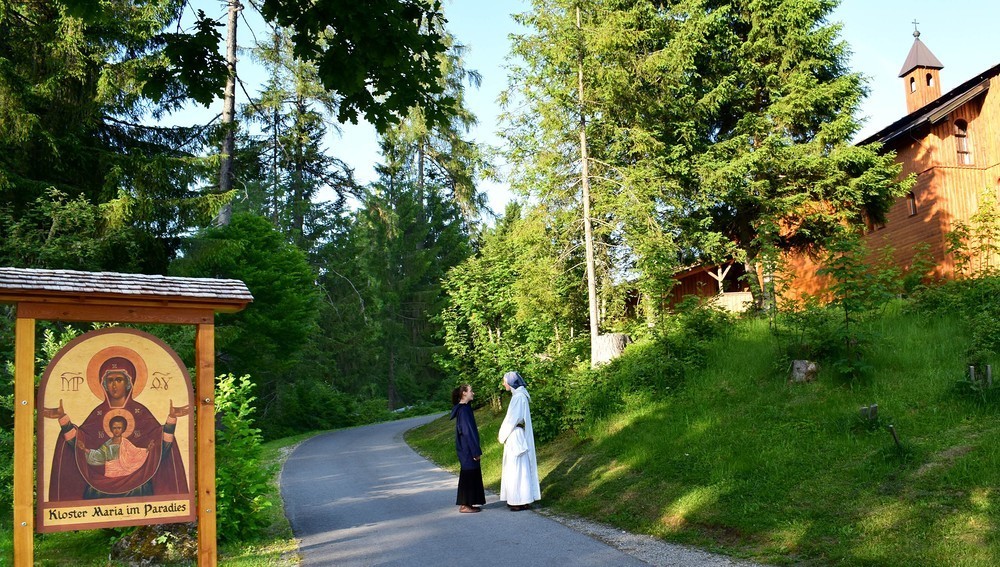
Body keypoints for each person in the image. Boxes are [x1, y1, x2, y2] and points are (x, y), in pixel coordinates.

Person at [42, 356, 190, 500]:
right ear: (104, 384)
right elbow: (78, 446)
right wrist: (63, 419)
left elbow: (160, 448)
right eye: (110, 380)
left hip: (137, 486)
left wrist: (171, 419)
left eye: (119, 380)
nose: (114, 385)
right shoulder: (97, 413)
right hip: (99, 488)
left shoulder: (141, 412)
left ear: (128, 383)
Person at [497, 370, 540, 511]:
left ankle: (517, 500)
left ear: (511, 382)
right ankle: (523, 499)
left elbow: (512, 419)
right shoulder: (520, 396)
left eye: (505, 381)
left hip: (515, 434)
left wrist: (502, 435)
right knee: (521, 467)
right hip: (517, 433)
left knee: (516, 468)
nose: (504, 384)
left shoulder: (518, 397)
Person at [450, 384, 485, 513]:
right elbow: (467, 432)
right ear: (464, 393)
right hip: (467, 448)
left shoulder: (464, 409)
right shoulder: (463, 411)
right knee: (468, 474)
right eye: (471, 391)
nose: (473, 393)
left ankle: (468, 503)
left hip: (466, 447)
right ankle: (465, 505)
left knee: (470, 473)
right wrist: (475, 451)